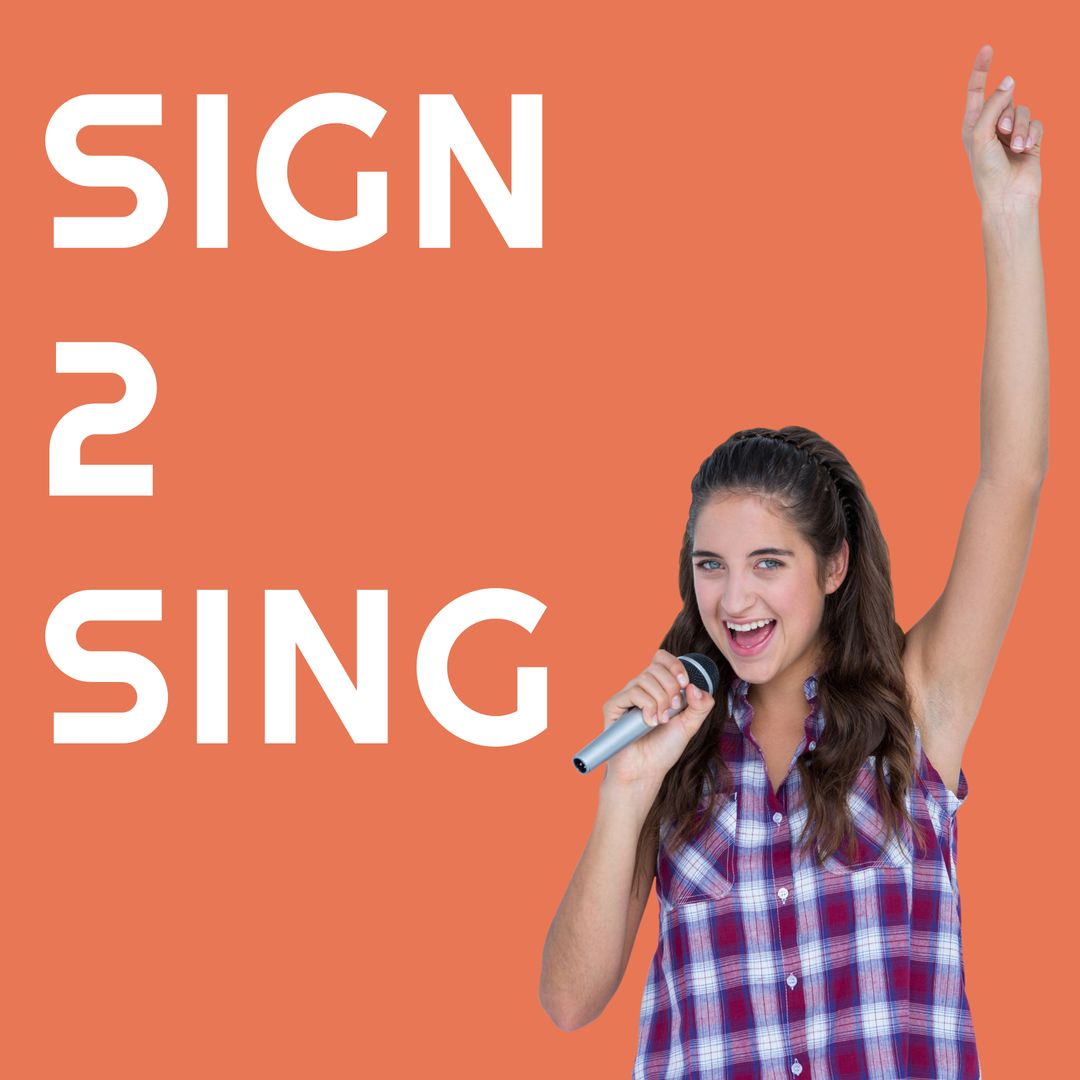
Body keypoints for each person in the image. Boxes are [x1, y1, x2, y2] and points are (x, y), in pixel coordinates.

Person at [539, 43, 1047, 1080]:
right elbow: (566, 1001)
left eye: (768, 562)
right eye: (709, 565)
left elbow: (1014, 477)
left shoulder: (918, 705)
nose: (732, 597)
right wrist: (624, 795)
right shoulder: (672, 750)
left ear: (832, 567)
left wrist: (1008, 213)